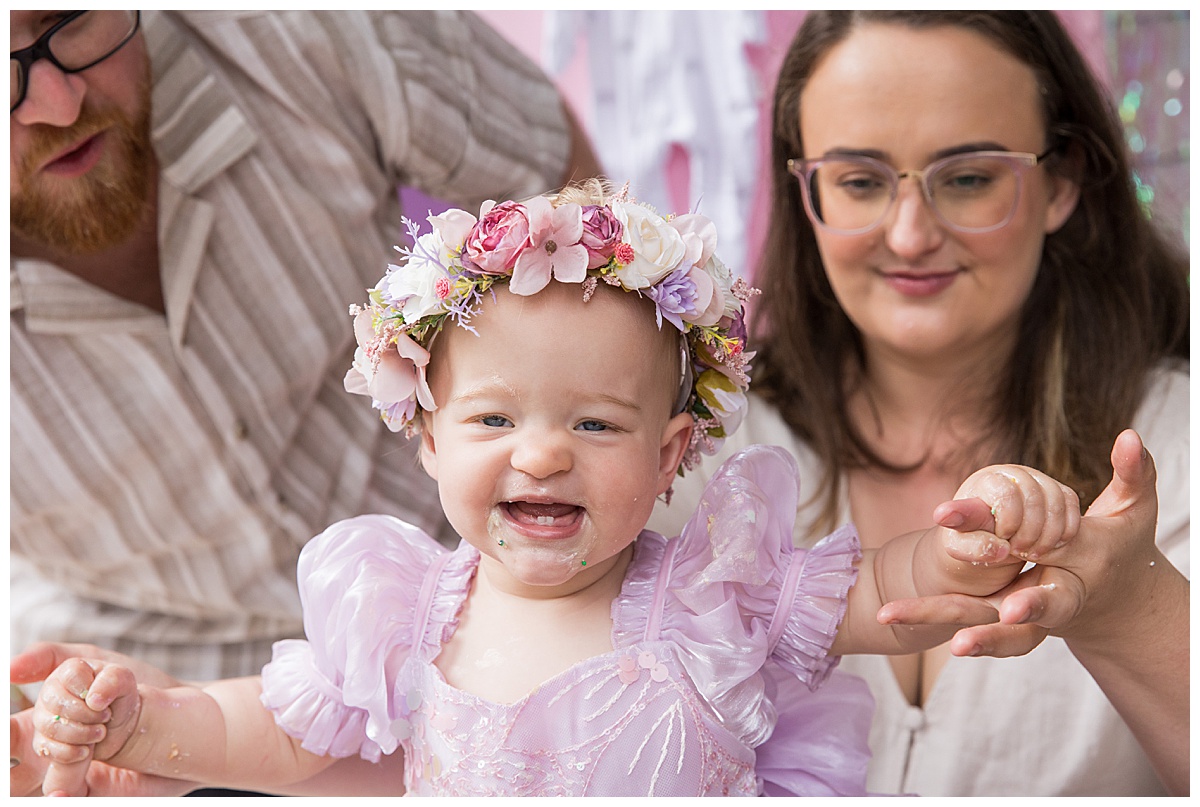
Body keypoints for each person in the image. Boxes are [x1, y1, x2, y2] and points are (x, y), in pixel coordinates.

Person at [23, 183, 1083, 797]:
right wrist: (142, 726)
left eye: (594, 424)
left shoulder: (717, 603)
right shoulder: (407, 618)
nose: (540, 457)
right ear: (427, 441)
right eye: (492, 420)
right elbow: (273, 737)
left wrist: (966, 546)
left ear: (672, 454)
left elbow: (880, 595)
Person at [648, 10, 1189, 797]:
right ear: (805, 190)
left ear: (1063, 180)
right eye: (861, 181)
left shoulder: (1180, 445)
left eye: (968, 178)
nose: (908, 235)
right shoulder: (690, 453)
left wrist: (1129, 609)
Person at [10, 9, 601, 694]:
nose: (58, 102)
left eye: (66, 17)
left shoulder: (309, 25)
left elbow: (564, 198)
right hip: (162, 678)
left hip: (487, 556)